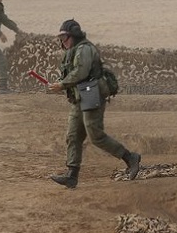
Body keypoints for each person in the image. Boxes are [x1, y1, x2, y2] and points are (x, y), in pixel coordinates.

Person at [48, 19, 141, 188]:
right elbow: (72, 73)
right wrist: (62, 83)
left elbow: (81, 72)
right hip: (79, 96)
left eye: (64, 37)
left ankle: (130, 157)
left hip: (92, 94)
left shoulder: (84, 49)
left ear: (73, 35)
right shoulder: (73, 50)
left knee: (96, 136)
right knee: (73, 135)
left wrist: (63, 84)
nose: (62, 41)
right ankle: (71, 175)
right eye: (61, 38)